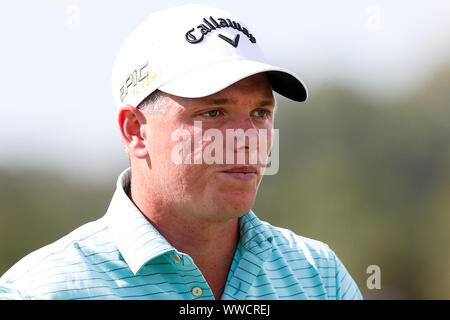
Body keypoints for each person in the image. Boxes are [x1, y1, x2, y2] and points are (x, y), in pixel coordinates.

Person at [0, 4, 362, 300]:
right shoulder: (39, 292)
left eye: (260, 113)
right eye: (213, 113)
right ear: (135, 131)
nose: (247, 138)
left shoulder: (320, 278)